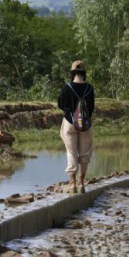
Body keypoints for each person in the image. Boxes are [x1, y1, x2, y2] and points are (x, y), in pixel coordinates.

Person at [57, 60, 95, 193]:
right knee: (85, 154)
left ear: (72, 72)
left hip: (69, 123)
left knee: (71, 152)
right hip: (85, 124)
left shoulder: (66, 87)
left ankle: (72, 183)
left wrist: (70, 110)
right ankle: (81, 183)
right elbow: (91, 108)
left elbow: (60, 105)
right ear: (84, 73)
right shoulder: (90, 88)